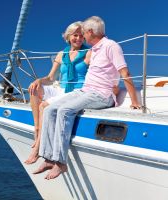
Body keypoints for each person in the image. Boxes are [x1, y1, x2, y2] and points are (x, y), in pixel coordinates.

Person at [34, 16, 141, 180]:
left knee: (65, 110)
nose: (82, 36)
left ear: (90, 32)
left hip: (101, 95)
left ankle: (60, 162)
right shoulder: (95, 49)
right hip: (86, 91)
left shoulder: (111, 46)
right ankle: (48, 158)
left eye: (83, 32)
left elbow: (125, 73)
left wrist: (134, 101)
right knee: (50, 109)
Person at [25, 21, 91, 164]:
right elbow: (50, 78)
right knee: (34, 89)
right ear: (68, 36)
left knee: (44, 105)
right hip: (61, 88)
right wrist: (38, 80)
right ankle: (37, 131)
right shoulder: (62, 54)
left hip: (76, 90)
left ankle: (37, 148)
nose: (78, 39)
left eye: (81, 36)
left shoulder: (88, 53)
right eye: (75, 35)